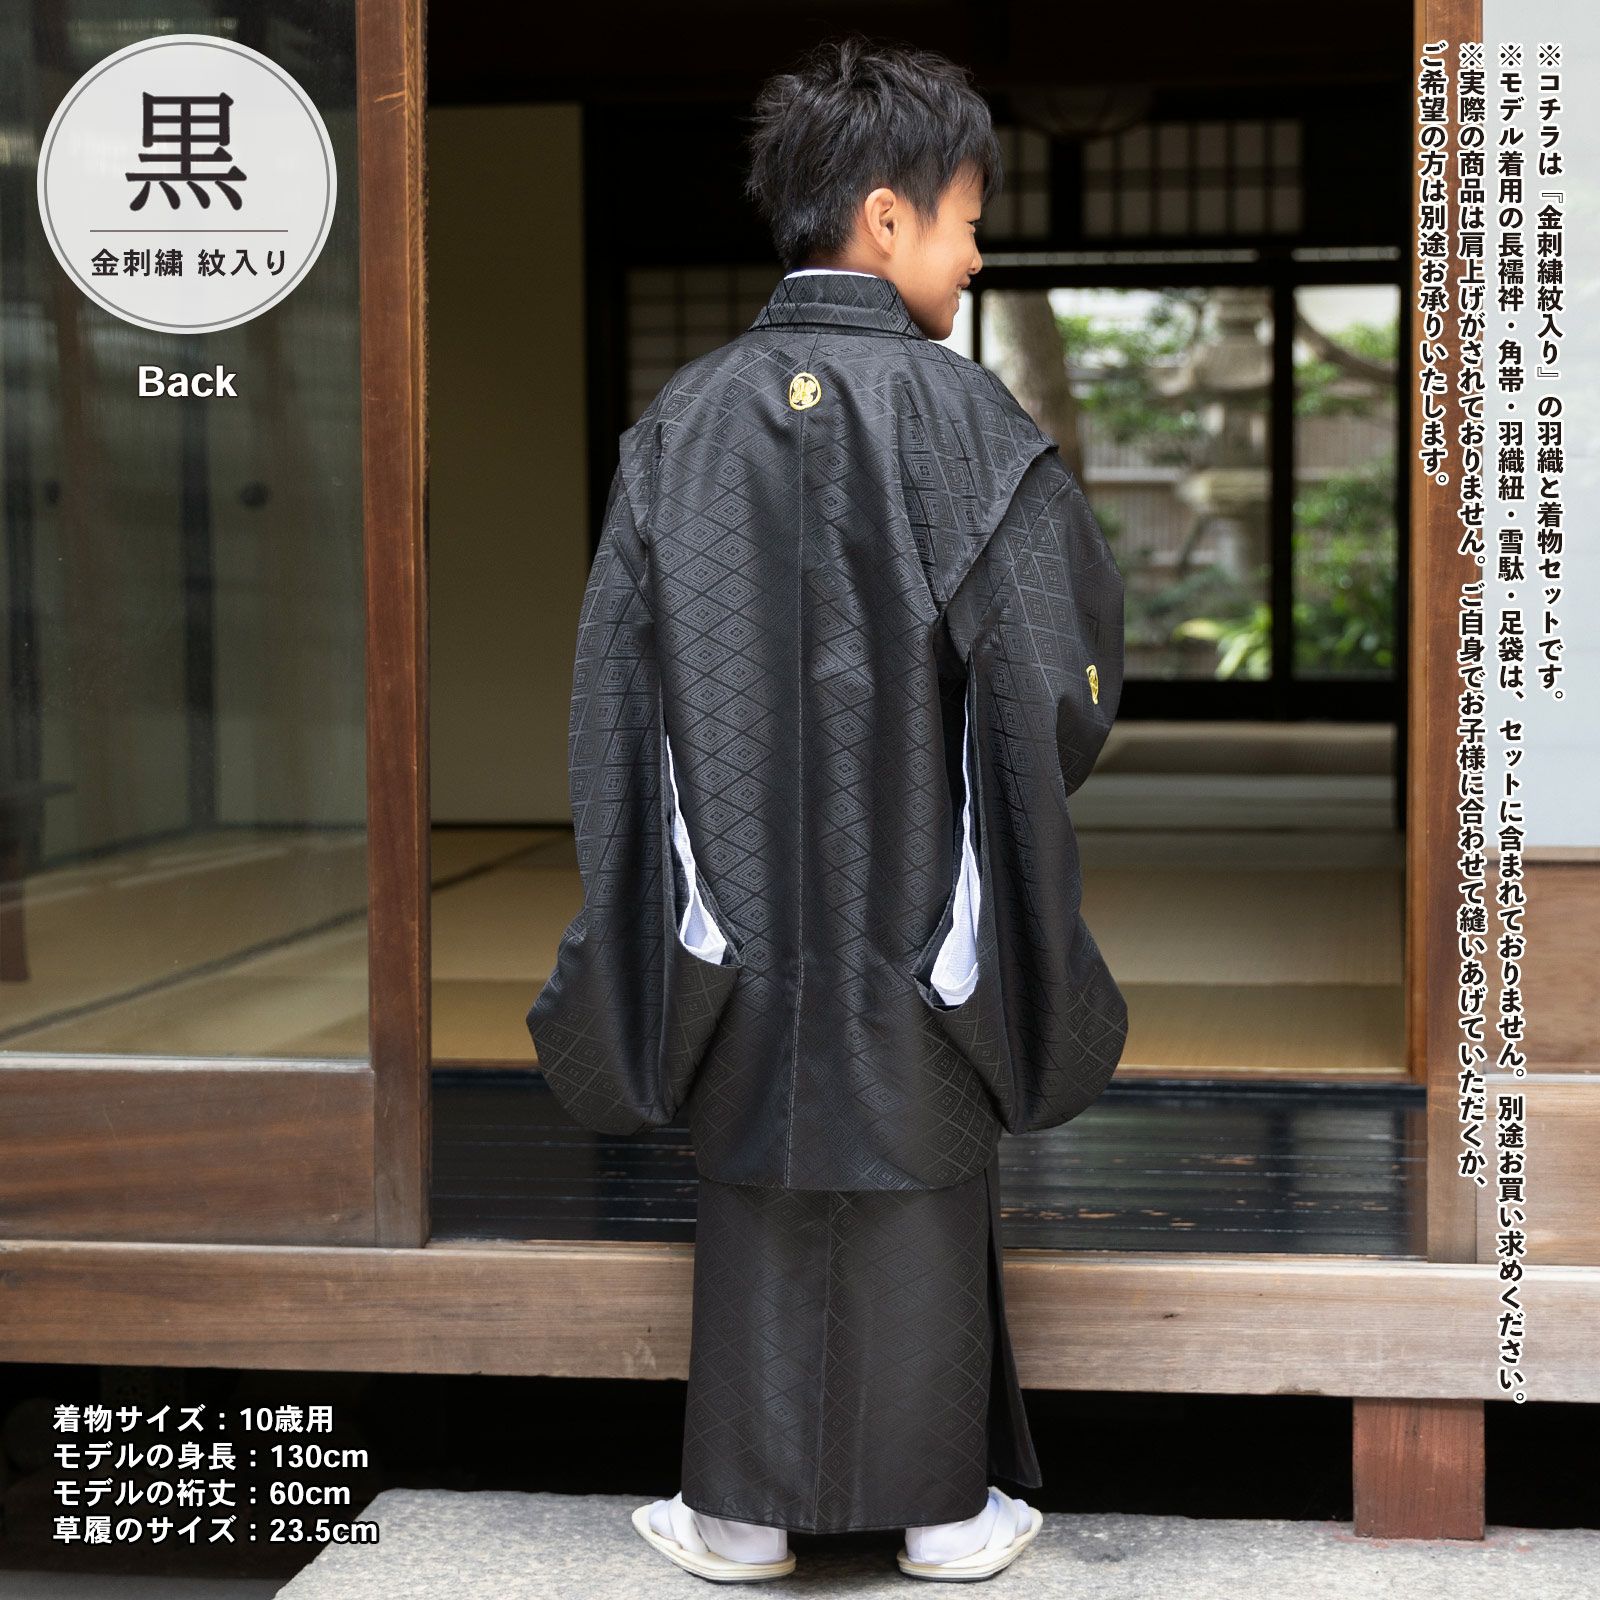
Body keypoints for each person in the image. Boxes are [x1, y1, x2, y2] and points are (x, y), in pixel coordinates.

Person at [526, 32, 1129, 1584]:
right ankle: (942, 1514)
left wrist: (672, 858)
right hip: (926, 893)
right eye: (967, 221)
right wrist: (1006, 789)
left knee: (759, 1165)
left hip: (731, 896)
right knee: (921, 1149)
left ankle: (737, 1515)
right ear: (885, 215)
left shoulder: (681, 423)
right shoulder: (967, 420)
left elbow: (613, 699)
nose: (975, 254)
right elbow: (1061, 686)